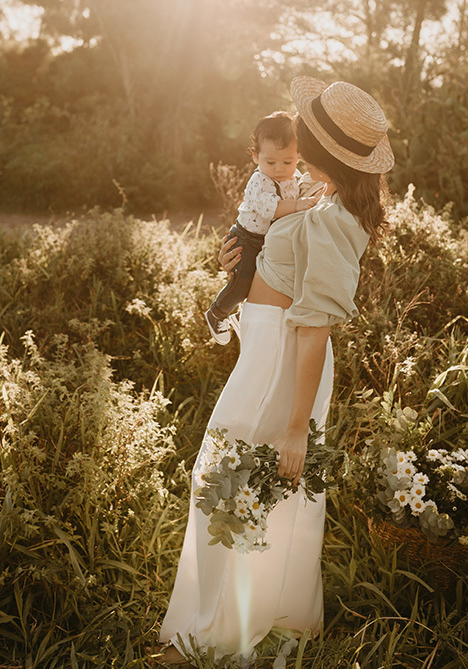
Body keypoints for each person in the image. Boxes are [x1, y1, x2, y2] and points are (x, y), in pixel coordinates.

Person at [157, 77, 394, 666]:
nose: (296, 125)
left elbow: (315, 326)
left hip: (285, 362)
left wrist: (296, 425)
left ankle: (216, 634)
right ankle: (248, 616)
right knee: (251, 485)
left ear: (321, 144)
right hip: (264, 348)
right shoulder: (315, 194)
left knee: (236, 481)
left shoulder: (336, 217)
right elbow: (274, 260)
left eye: (305, 124)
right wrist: (236, 260)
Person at [205, 110, 324, 346]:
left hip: (265, 241)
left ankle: (245, 313)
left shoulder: (296, 177)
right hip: (247, 238)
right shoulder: (259, 181)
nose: (280, 168)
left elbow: (300, 191)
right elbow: (270, 208)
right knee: (242, 282)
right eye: (270, 162)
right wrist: (299, 205)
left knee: (259, 281)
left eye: (288, 162)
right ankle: (218, 312)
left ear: (298, 156)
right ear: (255, 156)